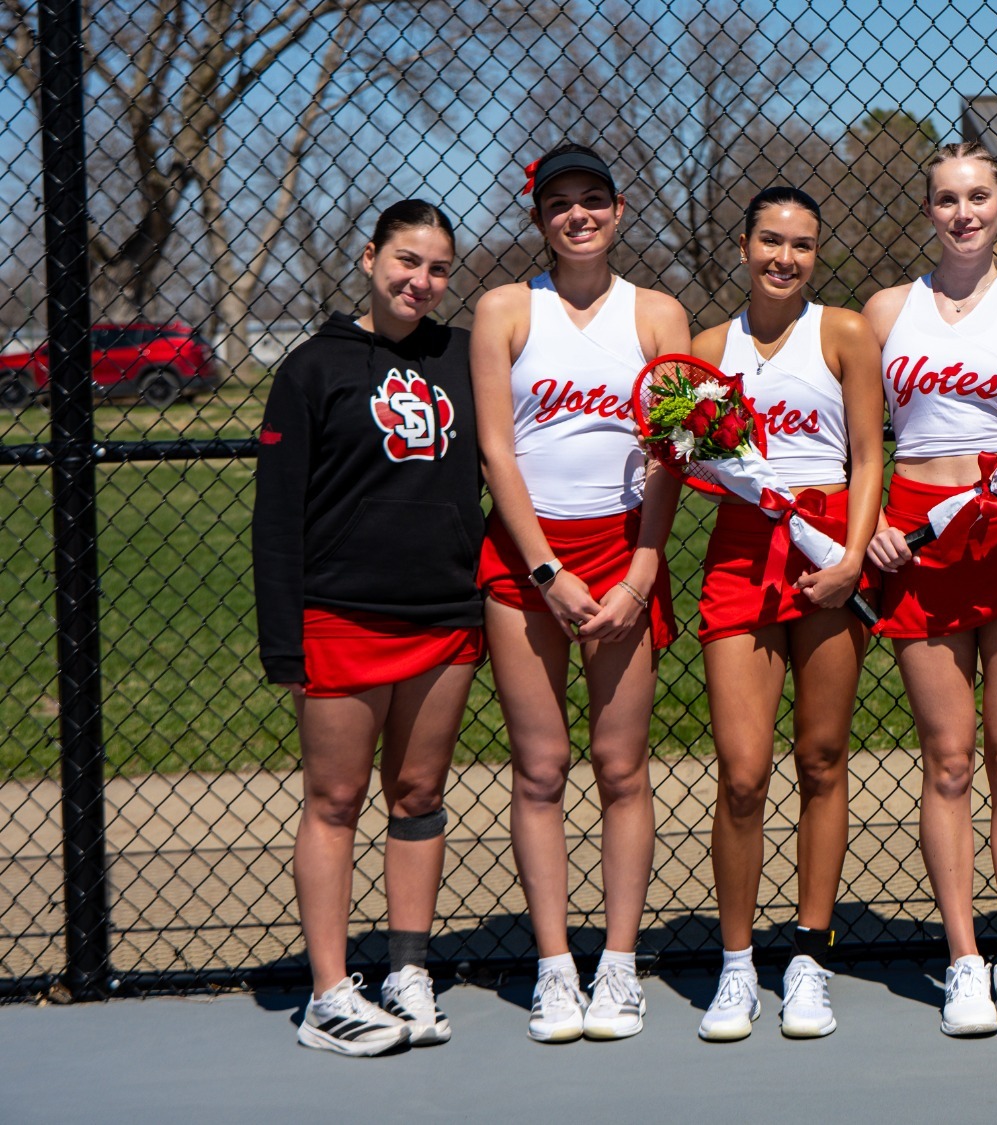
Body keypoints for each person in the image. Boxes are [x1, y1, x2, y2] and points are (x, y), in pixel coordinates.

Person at [470, 143, 689, 1043]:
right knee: (541, 766)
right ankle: (556, 966)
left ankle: (620, 964)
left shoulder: (660, 313)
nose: (578, 215)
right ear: (539, 219)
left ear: (620, 208)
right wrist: (547, 573)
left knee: (620, 764)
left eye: (593, 199)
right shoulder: (503, 310)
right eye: (559, 203)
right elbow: (497, 451)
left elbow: (678, 446)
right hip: (529, 558)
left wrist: (641, 570)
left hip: (625, 546)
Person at [254, 199, 479, 1055]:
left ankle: (409, 971)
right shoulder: (314, 366)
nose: (420, 281)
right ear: (369, 258)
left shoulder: (459, 356)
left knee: (418, 795)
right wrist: (285, 638)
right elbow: (276, 517)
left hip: (444, 612)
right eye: (406, 261)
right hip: (341, 615)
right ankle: (327, 991)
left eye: (436, 268)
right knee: (337, 798)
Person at [863, 141, 997, 1036]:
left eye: (978, 195)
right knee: (948, 760)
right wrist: (865, 523)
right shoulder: (881, 312)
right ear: (928, 210)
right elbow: (859, 441)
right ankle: (963, 960)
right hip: (913, 537)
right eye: (946, 198)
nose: (963, 212)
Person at [686, 186, 885, 1041]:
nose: (785, 258)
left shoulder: (842, 333)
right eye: (771, 240)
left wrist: (850, 557)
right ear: (742, 245)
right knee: (741, 770)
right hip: (742, 551)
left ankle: (808, 953)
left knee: (823, 755)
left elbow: (872, 452)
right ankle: (737, 964)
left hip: (830, 545)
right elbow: (680, 455)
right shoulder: (703, 347)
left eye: (802, 245)